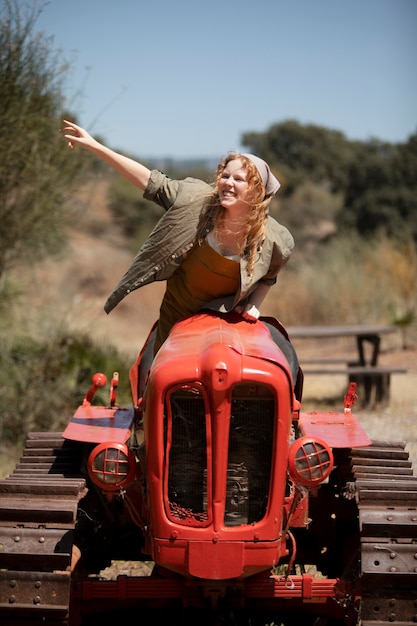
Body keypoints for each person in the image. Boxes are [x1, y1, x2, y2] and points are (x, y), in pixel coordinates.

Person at [61, 120, 299, 385]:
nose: (227, 183)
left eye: (238, 179)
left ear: (256, 191)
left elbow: (269, 274)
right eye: (225, 175)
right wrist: (95, 146)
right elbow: (149, 181)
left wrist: (254, 304)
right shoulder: (193, 200)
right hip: (176, 320)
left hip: (223, 325)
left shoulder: (275, 239)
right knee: (163, 386)